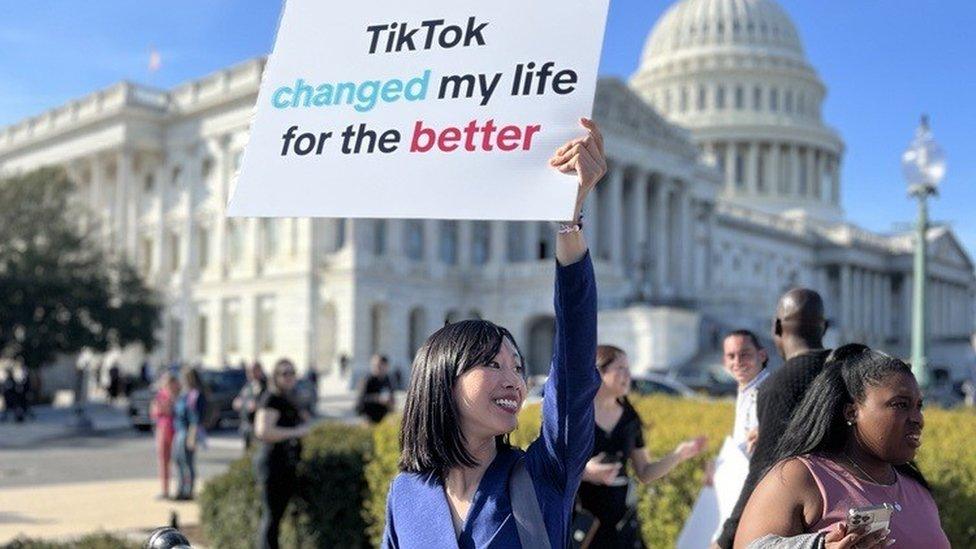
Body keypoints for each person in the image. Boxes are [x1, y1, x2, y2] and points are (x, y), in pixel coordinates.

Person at [382, 117, 606, 548]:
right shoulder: (407, 495)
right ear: (442, 381)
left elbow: (574, 371)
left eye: (518, 366)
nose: (514, 380)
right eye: (492, 363)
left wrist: (568, 226)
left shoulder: (546, 474)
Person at [734, 344, 950, 548]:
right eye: (900, 405)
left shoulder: (917, 490)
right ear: (851, 412)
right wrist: (818, 546)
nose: (917, 419)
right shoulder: (799, 477)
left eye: (918, 406)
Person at [716, 289, 831, 549]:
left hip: (806, 520)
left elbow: (764, 468)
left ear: (777, 327)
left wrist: (728, 536)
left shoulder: (778, 386)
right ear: (825, 327)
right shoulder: (849, 368)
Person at [579, 345, 707, 548]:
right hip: (582, 521)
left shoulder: (630, 418)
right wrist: (585, 472)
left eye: (628, 368)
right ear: (598, 372)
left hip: (621, 524)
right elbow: (552, 465)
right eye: (620, 368)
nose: (628, 374)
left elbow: (645, 472)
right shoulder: (577, 417)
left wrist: (679, 455)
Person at [254, 358, 312, 549]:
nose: (289, 377)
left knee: (279, 516)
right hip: (273, 465)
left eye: (292, 372)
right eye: (284, 373)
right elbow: (262, 431)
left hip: (287, 464)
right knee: (272, 518)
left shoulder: (289, 397)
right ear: (275, 376)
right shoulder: (271, 398)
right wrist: (296, 432)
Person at [173, 367, 208, 500]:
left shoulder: (195, 395)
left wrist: (192, 437)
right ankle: (180, 488)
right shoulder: (184, 394)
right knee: (178, 461)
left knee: (188, 462)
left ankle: (188, 490)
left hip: (188, 432)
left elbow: (195, 418)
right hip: (179, 430)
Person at [150, 371, 181, 499]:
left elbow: (168, 409)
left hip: (174, 429)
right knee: (163, 461)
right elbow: (154, 411)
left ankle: (181, 488)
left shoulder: (177, 396)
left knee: (179, 460)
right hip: (162, 428)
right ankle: (165, 490)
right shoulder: (160, 395)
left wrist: (164, 407)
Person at [232, 362, 267, 450]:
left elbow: (264, 403)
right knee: (247, 451)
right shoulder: (248, 385)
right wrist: (241, 403)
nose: (250, 374)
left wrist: (257, 405)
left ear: (260, 371)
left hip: (257, 426)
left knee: (256, 451)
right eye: (249, 371)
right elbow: (238, 400)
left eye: (253, 371)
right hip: (246, 424)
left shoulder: (265, 385)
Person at [357, 354, 396, 424]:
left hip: (384, 420)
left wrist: (391, 403)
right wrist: (377, 399)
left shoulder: (388, 380)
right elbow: (361, 400)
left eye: (379, 366)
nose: (377, 368)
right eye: (375, 366)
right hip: (369, 419)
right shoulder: (367, 380)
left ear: (386, 366)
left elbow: (392, 397)